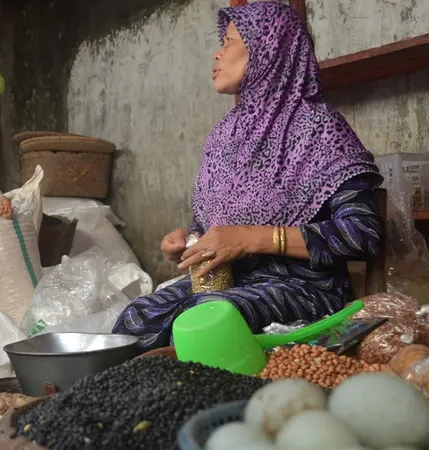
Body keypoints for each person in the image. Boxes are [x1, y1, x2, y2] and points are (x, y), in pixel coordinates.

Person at [112, 2, 384, 351]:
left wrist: (253, 238)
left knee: (208, 318)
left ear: (267, 50)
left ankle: (210, 403)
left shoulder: (319, 130)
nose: (217, 54)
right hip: (230, 281)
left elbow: (362, 234)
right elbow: (212, 225)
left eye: (228, 42)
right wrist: (189, 240)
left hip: (305, 288)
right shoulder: (225, 135)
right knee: (137, 318)